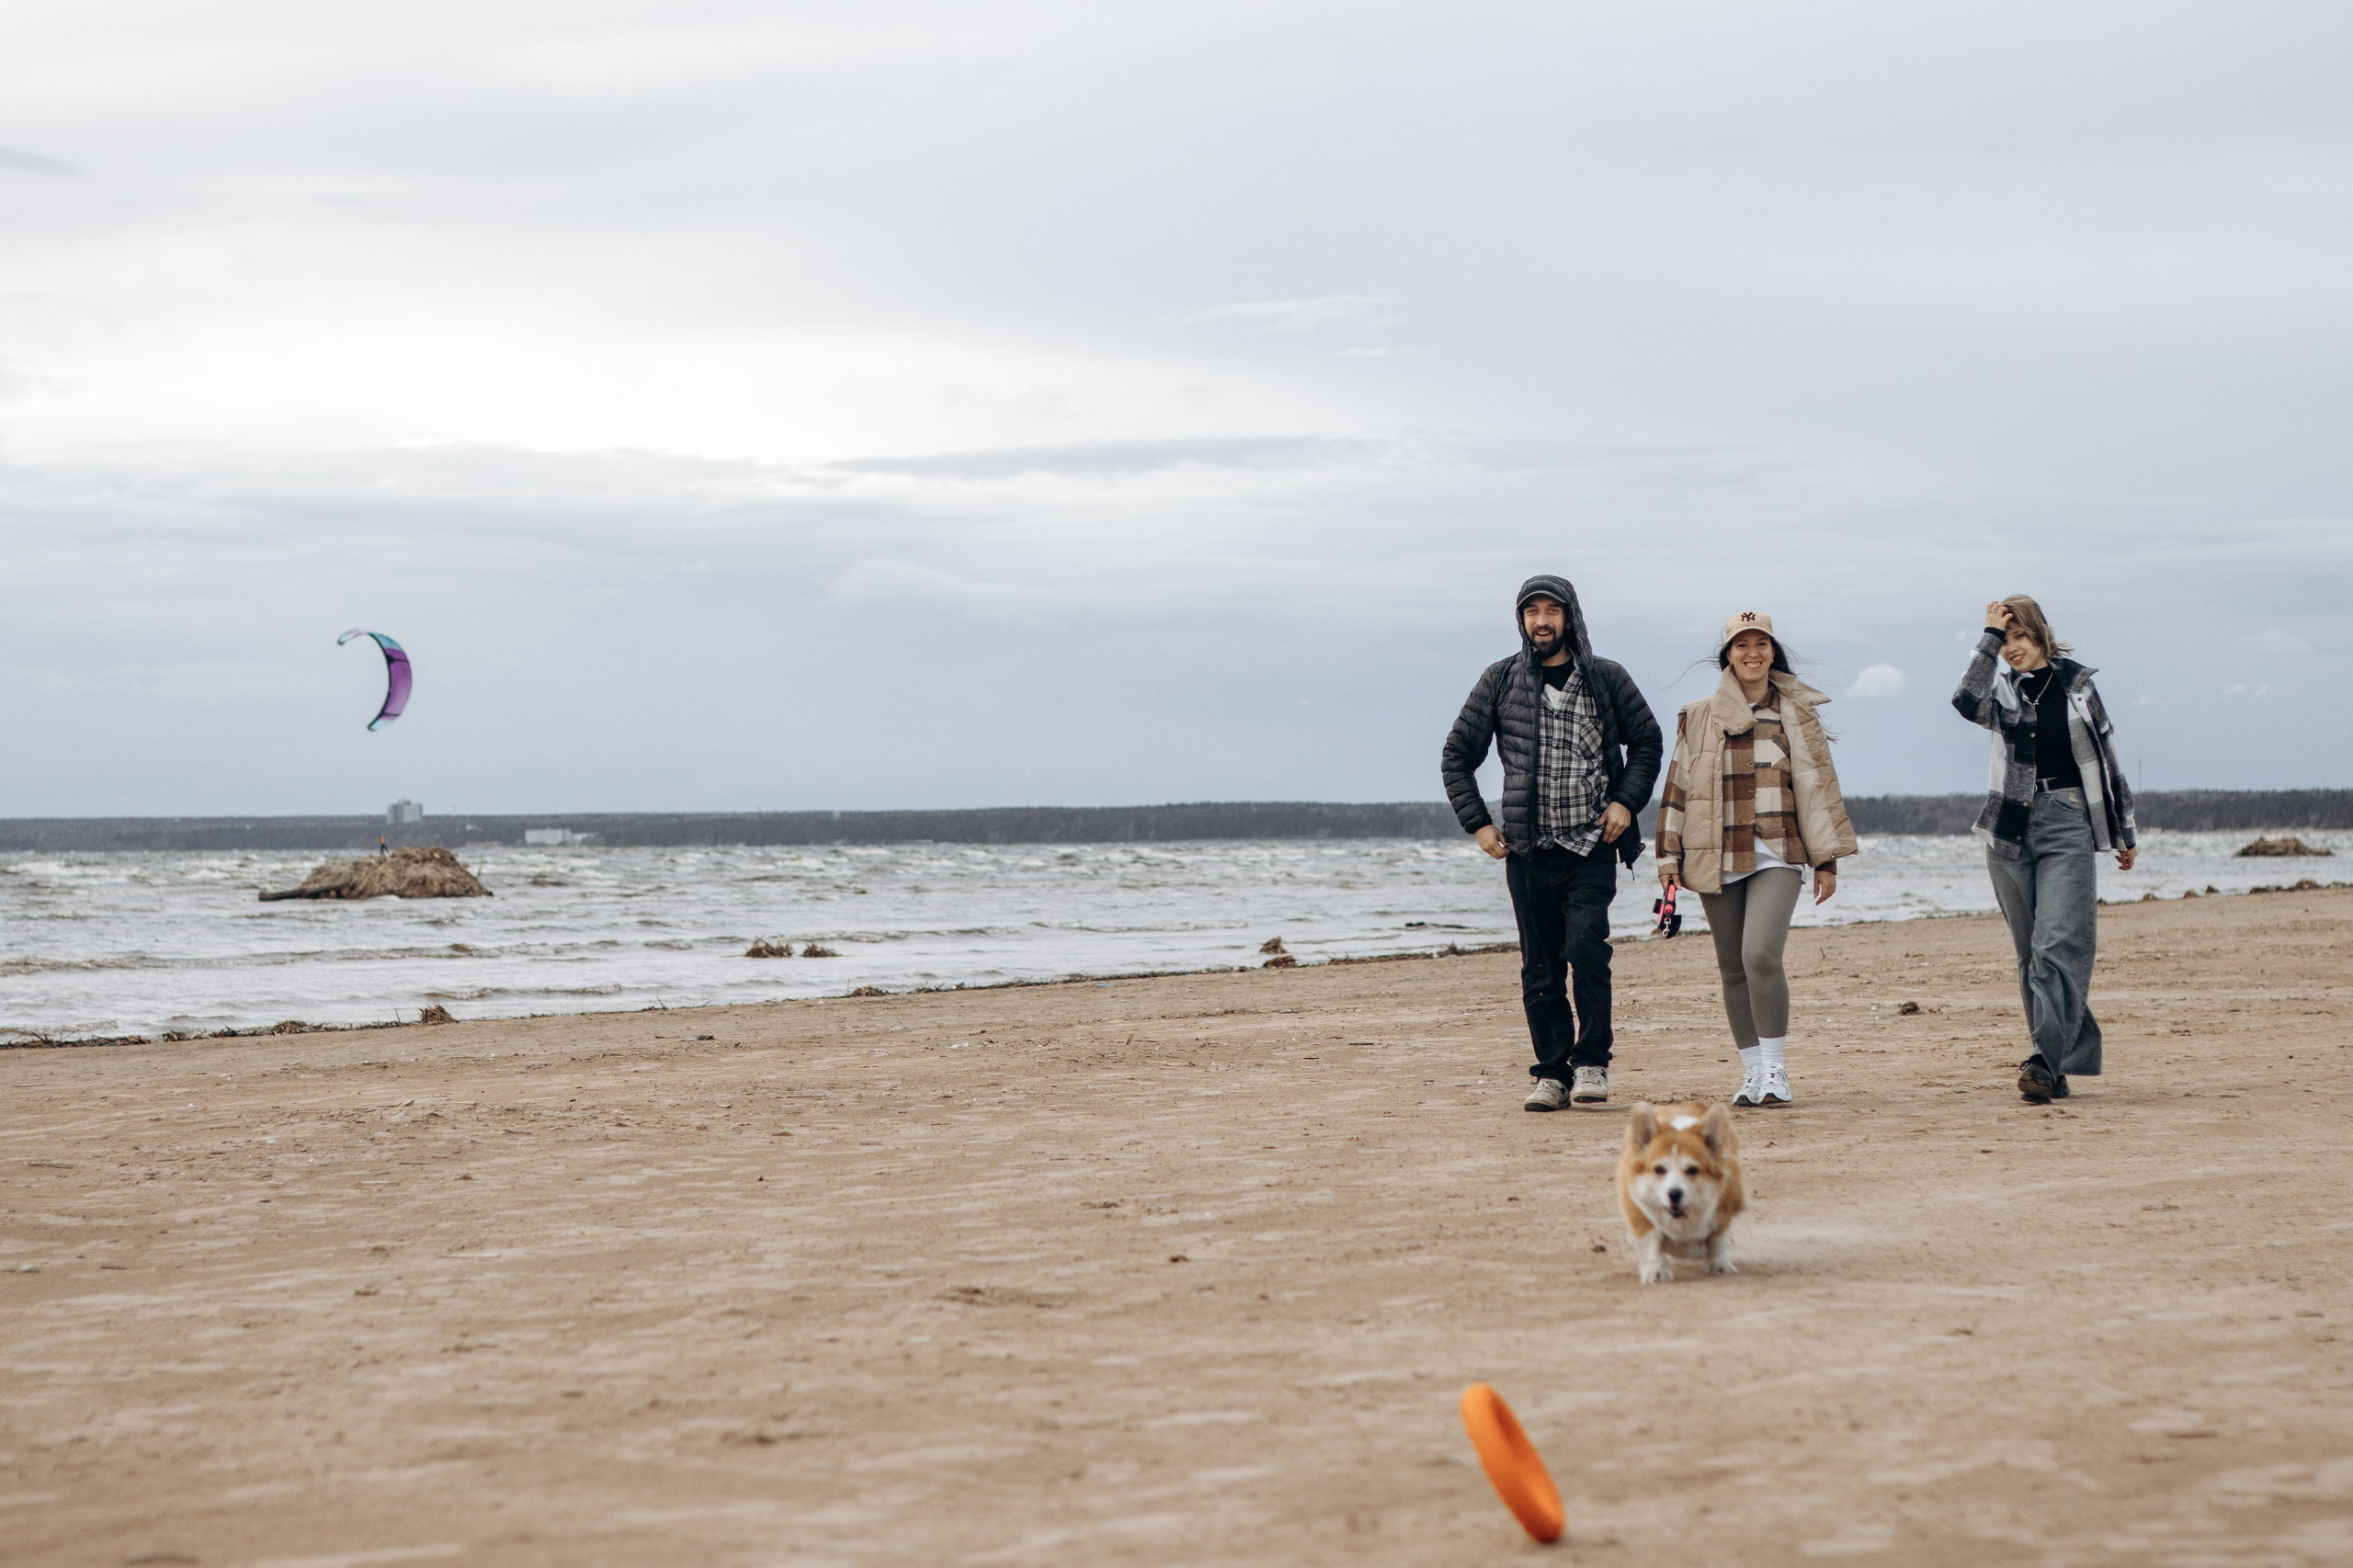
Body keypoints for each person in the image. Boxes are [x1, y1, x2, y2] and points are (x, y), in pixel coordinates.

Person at [1442, 575, 1663, 1110]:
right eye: (1531, 612)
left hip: (1590, 846)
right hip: (1527, 851)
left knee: (1586, 950)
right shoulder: (1500, 681)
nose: (1541, 621)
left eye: (1551, 611)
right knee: (1539, 965)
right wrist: (1479, 824)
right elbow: (1456, 756)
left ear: (1571, 617)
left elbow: (1649, 742)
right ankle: (1551, 1074)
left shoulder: (1606, 678)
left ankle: (1591, 1066)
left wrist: (1625, 802)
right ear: (1521, 621)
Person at [1654, 613, 1857, 1107]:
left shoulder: (1796, 713)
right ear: (1728, 654)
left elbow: (1817, 788)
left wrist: (1827, 859)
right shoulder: (1697, 715)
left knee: (1760, 955)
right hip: (1714, 854)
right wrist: (1668, 859)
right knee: (1731, 968)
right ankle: (1751, 1073)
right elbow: (1677, 789)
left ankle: (1775, 1070)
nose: (1752, 652)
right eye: (1741, 644)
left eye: (1760, 643)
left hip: (1778, 852)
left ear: (1772, 650)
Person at [1951, 595, 2137, 1103]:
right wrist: (1987, 638)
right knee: (2030, 952)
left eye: (2020, 637)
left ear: (2041, 635)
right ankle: (2052, 1064)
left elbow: (2108, 758)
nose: (2013, 649)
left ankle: (2041, 1058)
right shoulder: (2004, 695)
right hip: (2009, 827)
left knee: (2059, 945)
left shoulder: (2078, 687)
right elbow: (1965, 701)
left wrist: (2124, 833)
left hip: (2068, 822)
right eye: (2005, 639)